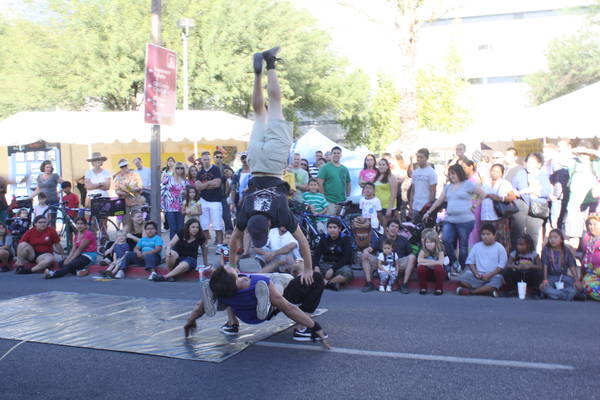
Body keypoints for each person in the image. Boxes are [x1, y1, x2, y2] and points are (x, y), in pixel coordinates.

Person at [228, 47, 314, 285]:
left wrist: (308, 268)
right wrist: (231, 264)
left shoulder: (279, 210)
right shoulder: (245, 210)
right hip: (255, 162)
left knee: (275, 105)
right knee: (259, 113)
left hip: (274, 164)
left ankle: (270, 64)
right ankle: (258, 75)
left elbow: (302, 241)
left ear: (267, 225)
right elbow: (234, 238)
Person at [184, 265, 329, 346]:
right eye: (230, 269)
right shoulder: (256, 282)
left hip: (244, 312)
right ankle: (299, 327)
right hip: (268, 306)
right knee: (310, 279)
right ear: (235, 277)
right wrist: (314, 326)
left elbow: (199, 307)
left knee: (224, 296)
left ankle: (230, 322)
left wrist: (190, 322)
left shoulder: (222, 286)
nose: (229, 267)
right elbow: (288, 308)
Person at [424, 164, 485, 272]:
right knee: (446, 240)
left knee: (463, 245)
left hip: (465, 220)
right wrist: (429, 211)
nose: (451, 176)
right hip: (450, 219)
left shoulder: (468, 184)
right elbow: (439, 201)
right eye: (450, 174)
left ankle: (461, 267)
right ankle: (454, 262)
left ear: (459, 173)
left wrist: (476, 204)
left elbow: (482, 194)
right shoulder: (448, 187)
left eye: (453, 173)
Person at [361, 219, 416, 293]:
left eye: (396, 227)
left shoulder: (403, 240)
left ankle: (404, 284)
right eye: (392, 226)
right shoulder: (381, 239)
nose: (394, 229)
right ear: (387, 228)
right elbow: (370, 249)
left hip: (398, 264)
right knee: (364, 255)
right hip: (383, 264)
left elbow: (411, 254)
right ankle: (369, 283)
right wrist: (366, 251)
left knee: (412, 257)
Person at [510, 152, 551, 250]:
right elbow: (513, 187)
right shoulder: (521, 173)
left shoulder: (543, 175)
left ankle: (531, 256)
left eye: (532, 163)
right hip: (521, 204)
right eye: (528, 162)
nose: (529, 165)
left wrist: (530, 190)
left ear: (539, 164)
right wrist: (515, 192)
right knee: (517, 231)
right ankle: (516, 256)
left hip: (537, 206)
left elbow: (546, 191)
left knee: (533, 233)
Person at [456, 224, 507, 297]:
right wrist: (476, 273)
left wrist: (490, 275)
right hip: (479, 276)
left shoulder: (499, 247)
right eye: (483, 234)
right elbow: (470, 262)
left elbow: (501, 266)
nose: (485, 237)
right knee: (462, 279)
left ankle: (472, 292)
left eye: (488, 234)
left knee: (499, 279)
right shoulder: (477, 246)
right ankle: (486, 290)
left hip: (493, 276)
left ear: (494, 235)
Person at [481, 163, 516, 254]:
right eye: (492, 171)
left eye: (497, 171)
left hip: (498, 216)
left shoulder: (505, 183)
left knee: (501, 240)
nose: (494, 173)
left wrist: (500, 198)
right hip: (485, 216)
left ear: (501, 173)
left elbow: (512, 197)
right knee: (487, 240)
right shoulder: (485, 182)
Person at [312, 218, 353, 291]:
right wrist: (316, 266)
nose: (332, 230)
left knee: (347, 275)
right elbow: (316, 254)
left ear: (339, 229)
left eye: (334, 227)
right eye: (330, 227)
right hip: (325, 264)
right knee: (311, 272)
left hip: (340, 265)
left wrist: (333, 269)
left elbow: (347, 258)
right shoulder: (324, 238)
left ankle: (327, 282)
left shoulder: (345, 239)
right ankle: (329, 284)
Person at [540, 229, 580, 301]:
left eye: (555, 237)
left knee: (576, 287)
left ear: (561, 239)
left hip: (563, 277)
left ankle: (556, 295)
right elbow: (544, 266)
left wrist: (577, 280)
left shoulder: (566, 250)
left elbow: (572, 266)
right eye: (550, 238)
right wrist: (545, 279)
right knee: (544, 288)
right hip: (551, 277)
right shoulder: (546, 250)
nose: (552, 240)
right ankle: (565, 295)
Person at [196, 151, 224, 247]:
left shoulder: (216, 169)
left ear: (210, 159)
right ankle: (205, 245)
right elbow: (198, 187)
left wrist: (205, 184)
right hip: (203, 200)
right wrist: (209, 183)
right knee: (204, 225)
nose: (206, 161)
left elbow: (217, 184)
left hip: (216, 201)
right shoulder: (199, 172)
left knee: (217, 225)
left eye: (208, 159)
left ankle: (219, 246)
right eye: (204, 159)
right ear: (201, 160)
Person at [317, 146, 351, 216]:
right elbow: (320, 183)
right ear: (331, 155)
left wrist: (348, 195)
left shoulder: (344, 169)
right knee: (330, 223)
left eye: (338, 153)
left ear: (341, 155)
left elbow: (348, 182)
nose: (336, 155)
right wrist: (323, 199)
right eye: (334, 153)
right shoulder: (325, 167)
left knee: (339, 224)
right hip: (329, 201)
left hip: (342, 201)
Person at [161, 161, 188, 239]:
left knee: (180, 228)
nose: (179, 170)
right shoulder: (168, 178)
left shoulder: (185, 181)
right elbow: (162, 191)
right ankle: (172, 248)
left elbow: (188, 194)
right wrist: (162, 206)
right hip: (169, 207)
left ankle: (180, 247)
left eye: (182, 168)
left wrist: (185, 193)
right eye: (177, 168)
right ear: (174, 169)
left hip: (181, 207)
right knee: (173, 228)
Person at [409, 148, 437, 222]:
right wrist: (411, 206)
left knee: (425, 231)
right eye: (418, 157)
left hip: (425, 208)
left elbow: (433, 191)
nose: (419, 159)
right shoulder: (415, 172)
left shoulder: (431, 172)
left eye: (421, 157)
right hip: (415, 207)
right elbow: (413, 190)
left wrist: (429, 208)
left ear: (427, 158)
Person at [31, 160, 63, 225]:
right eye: (47, 167)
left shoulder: (54, 176)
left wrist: (58, 192)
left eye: (50, 167)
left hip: (53, 200)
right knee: (42, 219)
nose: (49, 169)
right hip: (43, 201)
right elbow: (38, 189)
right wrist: (30, 197)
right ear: (43, 167)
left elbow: (65, 184)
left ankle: (53, 233)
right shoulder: (39, 177)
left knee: (52, 220)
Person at [416, 229, 446, 295]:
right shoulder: (424, 249)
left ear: (436, 242)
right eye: (427, 242)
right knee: (421, 268)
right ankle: (423, 288)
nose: (428, 244)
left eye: (431, 242)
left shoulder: (440, 249)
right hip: (428, 273)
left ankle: (439, 288)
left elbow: (441, 262)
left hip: (438, 274)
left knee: (439, 268)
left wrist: (425, 263)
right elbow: (419, 260)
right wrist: (433, 262)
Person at [213, 150, 234, 234]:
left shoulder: (226, 167)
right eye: (217, 157)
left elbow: (233, 178)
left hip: (224, 195)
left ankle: (229, 234)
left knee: (226, 216)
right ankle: (219, 237)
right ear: (213, 158)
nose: (219, 159)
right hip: (213, 196)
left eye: (221, 157)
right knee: (216, 218)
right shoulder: (211, 168)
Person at [373, 158, 398, 228]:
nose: (381, 166)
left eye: (383, 165)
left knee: (385, 227)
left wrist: (389, 209)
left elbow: (394, 193)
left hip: (387, 206)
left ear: (387, 166)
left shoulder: (391, 177)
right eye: (379, 165)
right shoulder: (377, 177)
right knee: (379, 226)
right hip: (378, 206)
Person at [581, 213, 600, 301]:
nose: (592, 227)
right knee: (587, 283)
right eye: (590, 224)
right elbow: (584, 254)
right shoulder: (586, 237)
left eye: (595, 224)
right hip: (591, 273)